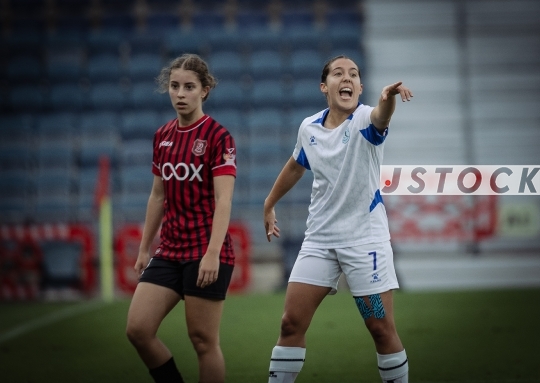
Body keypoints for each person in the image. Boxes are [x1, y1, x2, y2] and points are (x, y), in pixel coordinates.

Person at [263, 55, 413, 383]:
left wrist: (387, 100)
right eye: (338, 73)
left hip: (365, 242)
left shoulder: (365, 120)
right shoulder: (309, 128)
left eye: (353, 74)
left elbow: (382, 116)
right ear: (324, 86)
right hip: (319, 241)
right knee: (290, 324)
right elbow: (295, 165)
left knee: (381, 328)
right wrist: (269, 202)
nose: (347, 78)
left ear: (359, 87)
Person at [126, 54, 237, 383]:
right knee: (138, 329)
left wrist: (213, 253)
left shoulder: (218, 137)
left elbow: (224, 199)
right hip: (170, 250)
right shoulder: (162, 136)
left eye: (189, 87)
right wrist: (144, 248)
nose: (180, 93)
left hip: (205, 250)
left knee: (203, 341)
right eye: (174, 86)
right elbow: (157, 196)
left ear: (204, 90)